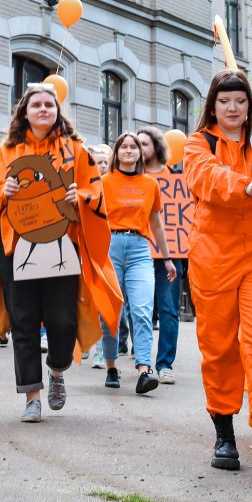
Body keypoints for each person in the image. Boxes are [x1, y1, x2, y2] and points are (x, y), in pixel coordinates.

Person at [0, 84, 121, 423]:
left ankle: (57, 370)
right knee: (24, 321)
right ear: (24, 112)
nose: (43, 109)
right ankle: (31, 396)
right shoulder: (9, 149)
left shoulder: (75, 149)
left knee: (62, 321)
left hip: (62, 245)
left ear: (58, 111)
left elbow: (95, 190)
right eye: (36, 105)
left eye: (49, 104)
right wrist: (4, 191)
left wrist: (81, 197)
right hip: (17, 245)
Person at [183, 69, 252, 475]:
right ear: (213, 106)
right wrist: (245, 185)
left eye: (240, 101)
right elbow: (204, 178)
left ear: (249, 105)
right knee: (219, 349)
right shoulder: (199, 143)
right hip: (212, 257)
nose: (233, 109)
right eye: (225, 102)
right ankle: (224, 434)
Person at [100, 132, 176, 393]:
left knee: (142, 310)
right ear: (117, 152)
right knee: (110, 312)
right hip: (109, 247)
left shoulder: (150, 184)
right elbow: (92, 220)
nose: (130, 150)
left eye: (134, 146)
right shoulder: (103, 182)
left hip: (140, 249)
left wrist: (167, 258)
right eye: (124, 147)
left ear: (140, 153)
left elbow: (156, 222)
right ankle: (111, 366)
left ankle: (144, 370)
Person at [137, 126, 183, 385]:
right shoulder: (130, 178)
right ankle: (141, 356)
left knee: (168, 309)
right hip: (140, 250)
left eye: (144, 143)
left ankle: (165, 363)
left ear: (156, 146)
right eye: (137, 143)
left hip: (170, 253)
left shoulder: (177, 178)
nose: (141, 148)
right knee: (140, 307)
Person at [85, 144, 129, 369]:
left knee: (107, 300)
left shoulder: (115, 185)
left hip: (111, 248)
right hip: (87, 248)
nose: (101, 165)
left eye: (105, 161)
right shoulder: (85, 186)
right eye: (97, 161)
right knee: (87, 298)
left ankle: (103, 350)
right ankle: (85, 342)